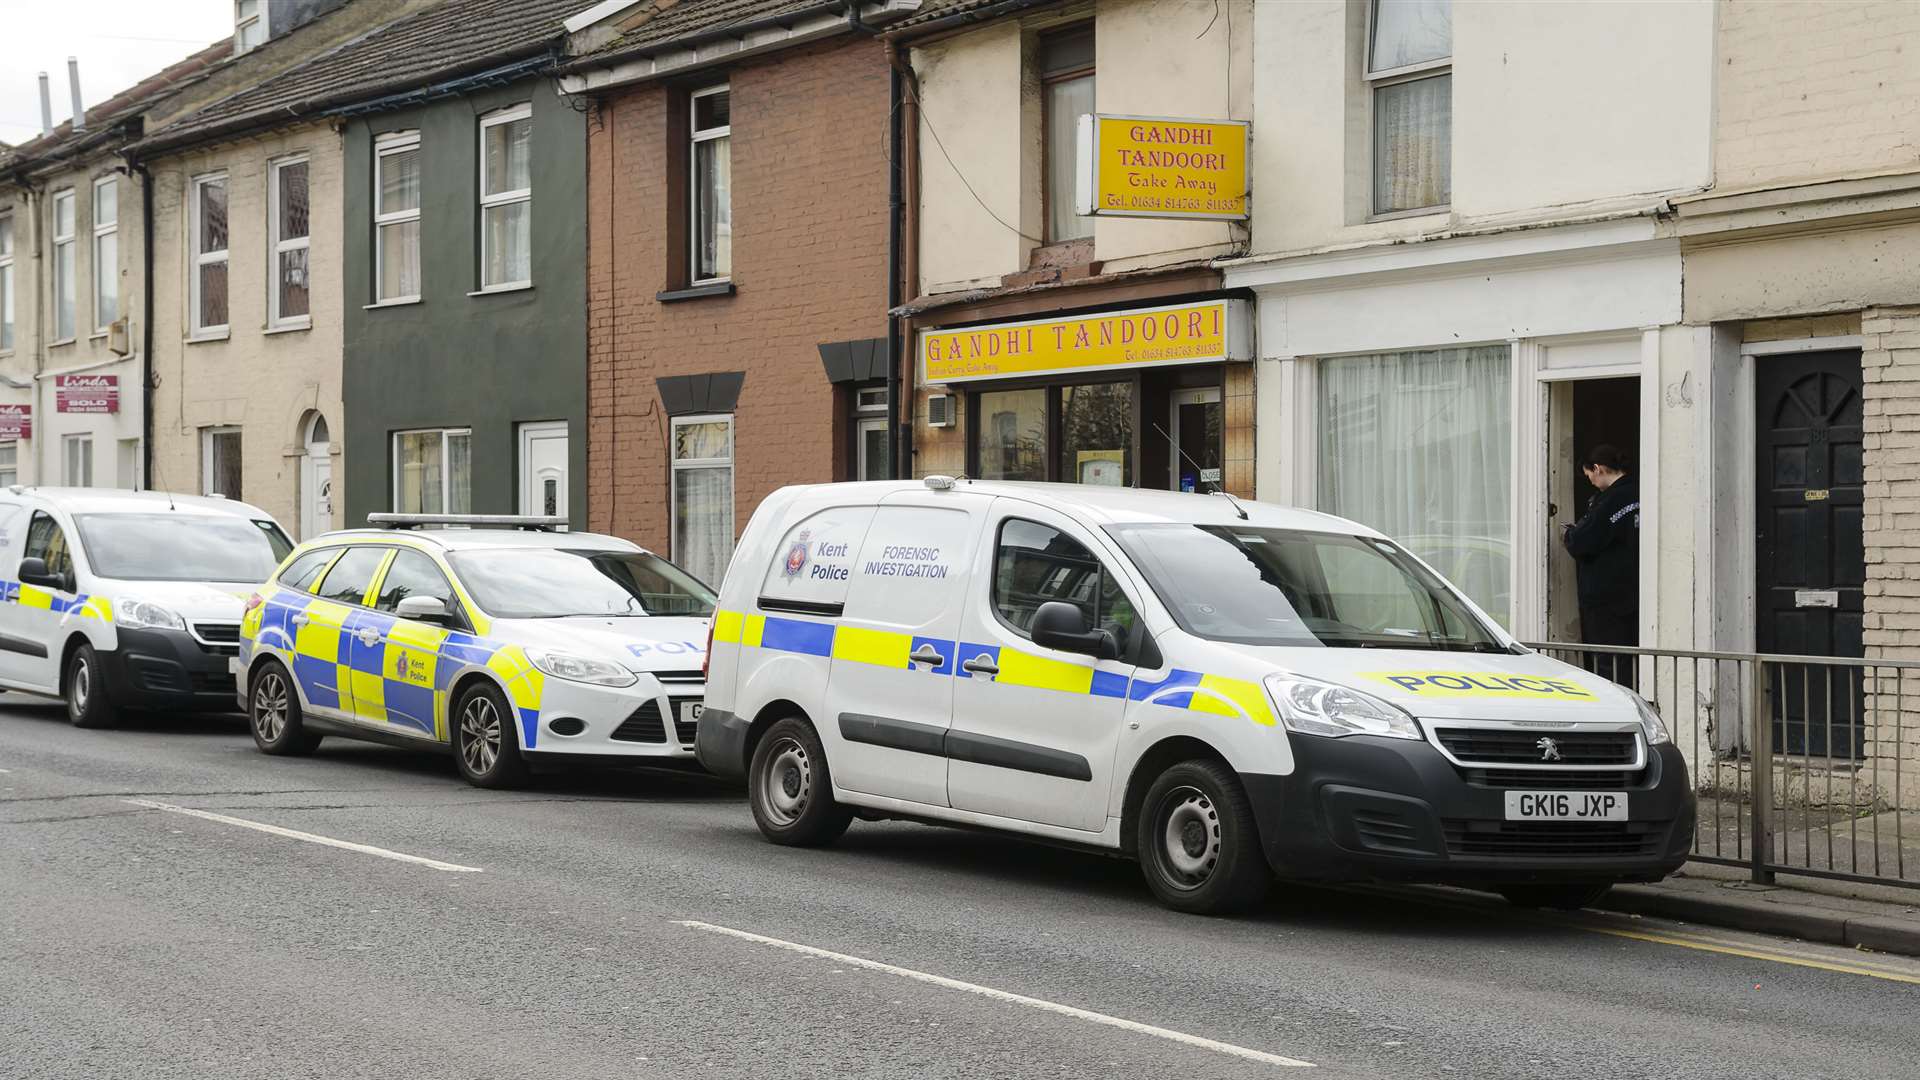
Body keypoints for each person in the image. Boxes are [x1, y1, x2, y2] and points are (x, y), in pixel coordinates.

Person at [1562, 445, 1639, 684]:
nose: (1592, 482)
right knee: (1629, 657)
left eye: (1589, 476)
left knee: (1609, 662)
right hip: (1634, 592)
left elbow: (1583, 541)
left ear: (1597, 469)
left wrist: (1569, 535)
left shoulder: (1608, 502)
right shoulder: (1640, 491)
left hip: (1606, 596)